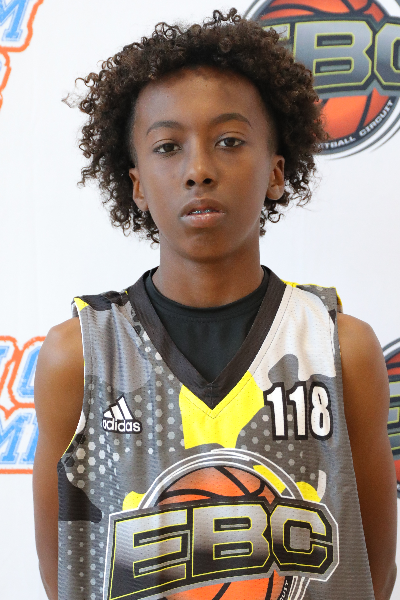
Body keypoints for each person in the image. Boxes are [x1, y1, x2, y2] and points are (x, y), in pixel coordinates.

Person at [33, 8, 397, 600]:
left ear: (276, 172)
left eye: (229, 141)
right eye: (168, 146)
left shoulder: (340, 350)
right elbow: (67, 575)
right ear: (137, 185)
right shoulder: (78, 356)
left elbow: (373, 572)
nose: (199, 170)